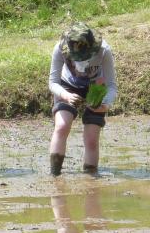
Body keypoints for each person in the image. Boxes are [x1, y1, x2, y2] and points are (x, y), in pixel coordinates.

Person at [48, 22, 117, 176]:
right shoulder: (59, 48)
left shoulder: (104, 51)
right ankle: (54, 175)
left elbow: (112, 86)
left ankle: (91, 178)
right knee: (61, 126)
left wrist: (105, 104)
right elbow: (53, 82)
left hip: (96, 88)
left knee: (92, 138)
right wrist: (65, 95)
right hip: (67, 87)